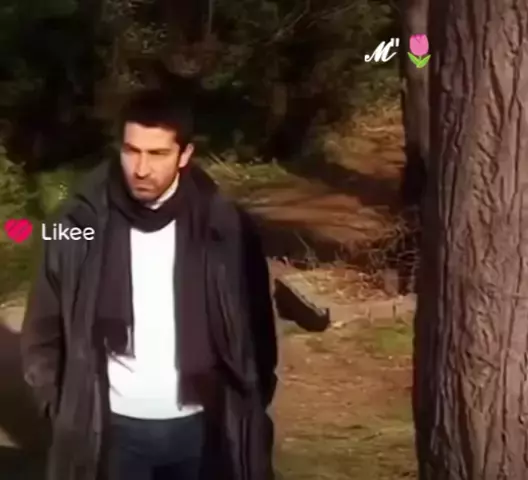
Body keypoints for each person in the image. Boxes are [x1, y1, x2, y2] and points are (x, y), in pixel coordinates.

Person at [20, 88, 278, 480]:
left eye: (157, 154)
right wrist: (64, 411)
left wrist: (249, 406)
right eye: (131, 151)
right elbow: (43, 330)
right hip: (112, 431)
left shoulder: (227, 227)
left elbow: (258, 332)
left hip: (204, 429)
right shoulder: (74, 226)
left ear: (184, 155)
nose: (141, 169)